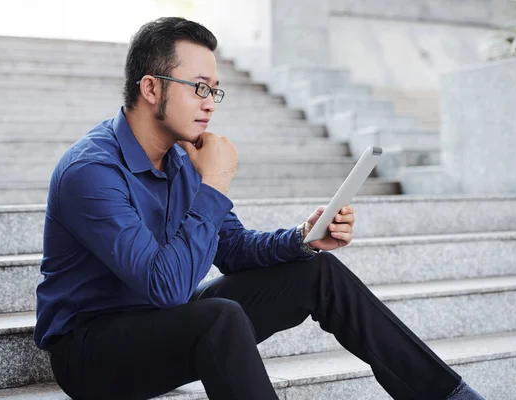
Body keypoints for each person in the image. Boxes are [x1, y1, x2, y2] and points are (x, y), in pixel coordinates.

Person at [34, 16, 485, 400]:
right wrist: (215, 181)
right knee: (220, 315)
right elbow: (164, 287)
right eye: (198, 88)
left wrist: (302, 239)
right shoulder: (90, 171)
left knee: (318, 271)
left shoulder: (182, 156)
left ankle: (450, 396)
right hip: (91, 351)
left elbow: (230, 247)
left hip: (162, 322)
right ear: (151, 88)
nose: (210, 104)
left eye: (215, 90)